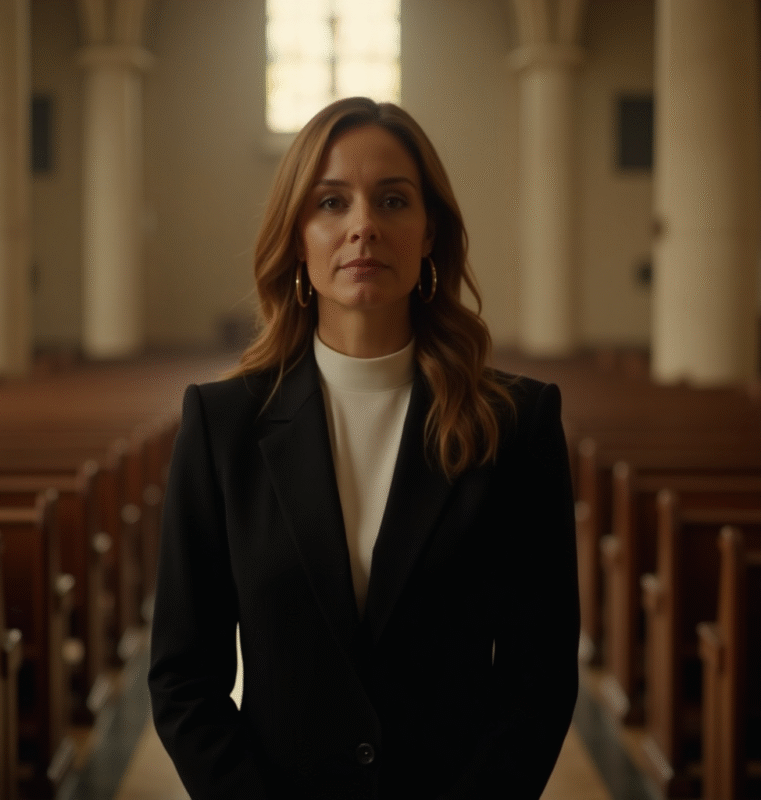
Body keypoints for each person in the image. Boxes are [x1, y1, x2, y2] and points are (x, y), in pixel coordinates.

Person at [148, 96, 580, 800]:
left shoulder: (519, 424)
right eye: (331, 203)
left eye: (392, 200)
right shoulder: (222, 425)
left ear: (429, 231)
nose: (364, 228)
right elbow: (182, 677)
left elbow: (540, 679)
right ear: (297, 236)